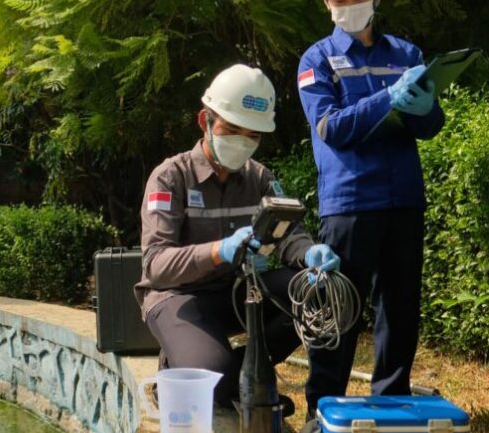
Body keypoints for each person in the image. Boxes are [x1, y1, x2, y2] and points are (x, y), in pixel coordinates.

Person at [296, 0, 445, 416]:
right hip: (349, 203)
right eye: (338, 0)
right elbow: (331, 128)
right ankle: (323, 415)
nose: (348, 7)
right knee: (337, 308)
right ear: (324, 0)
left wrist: (426, 108)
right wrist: (387, 100)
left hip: (403, 197)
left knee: (399, 311)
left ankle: (391, 408)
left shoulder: (406, 53)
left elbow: (429, 126)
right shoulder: (315, 61)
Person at [135, 63, 341, 406]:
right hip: (179, 300)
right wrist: (218, 250)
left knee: (317, 291)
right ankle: (192, 368)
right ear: (206, 122)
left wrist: (308, 253)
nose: (243, 143)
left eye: (253, 136)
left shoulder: (260, 178)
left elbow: (289, 234)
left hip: (237, 294)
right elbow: (156, 265)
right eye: (233, 130)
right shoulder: (170, 178)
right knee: (213, 382)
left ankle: (244, 367)